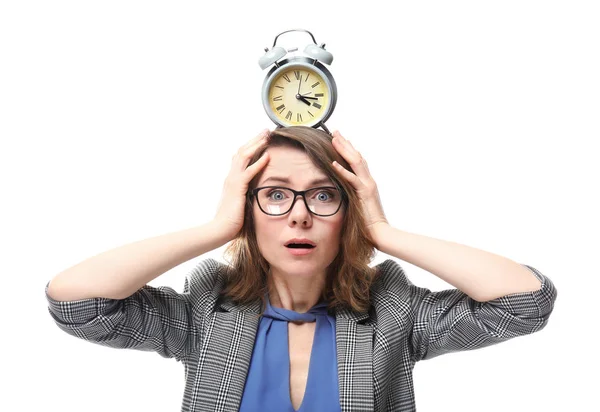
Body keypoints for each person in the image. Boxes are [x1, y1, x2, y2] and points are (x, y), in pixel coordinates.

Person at [45, 126, 558, 412]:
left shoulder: (393, 314)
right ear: (249, 211)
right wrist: (218, 226)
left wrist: (381, 229)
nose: (299, 214)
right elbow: (75, 304)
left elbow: (526, 303)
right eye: (274, 195)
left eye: (322, 195)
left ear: (346, 212)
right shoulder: (205, 313)